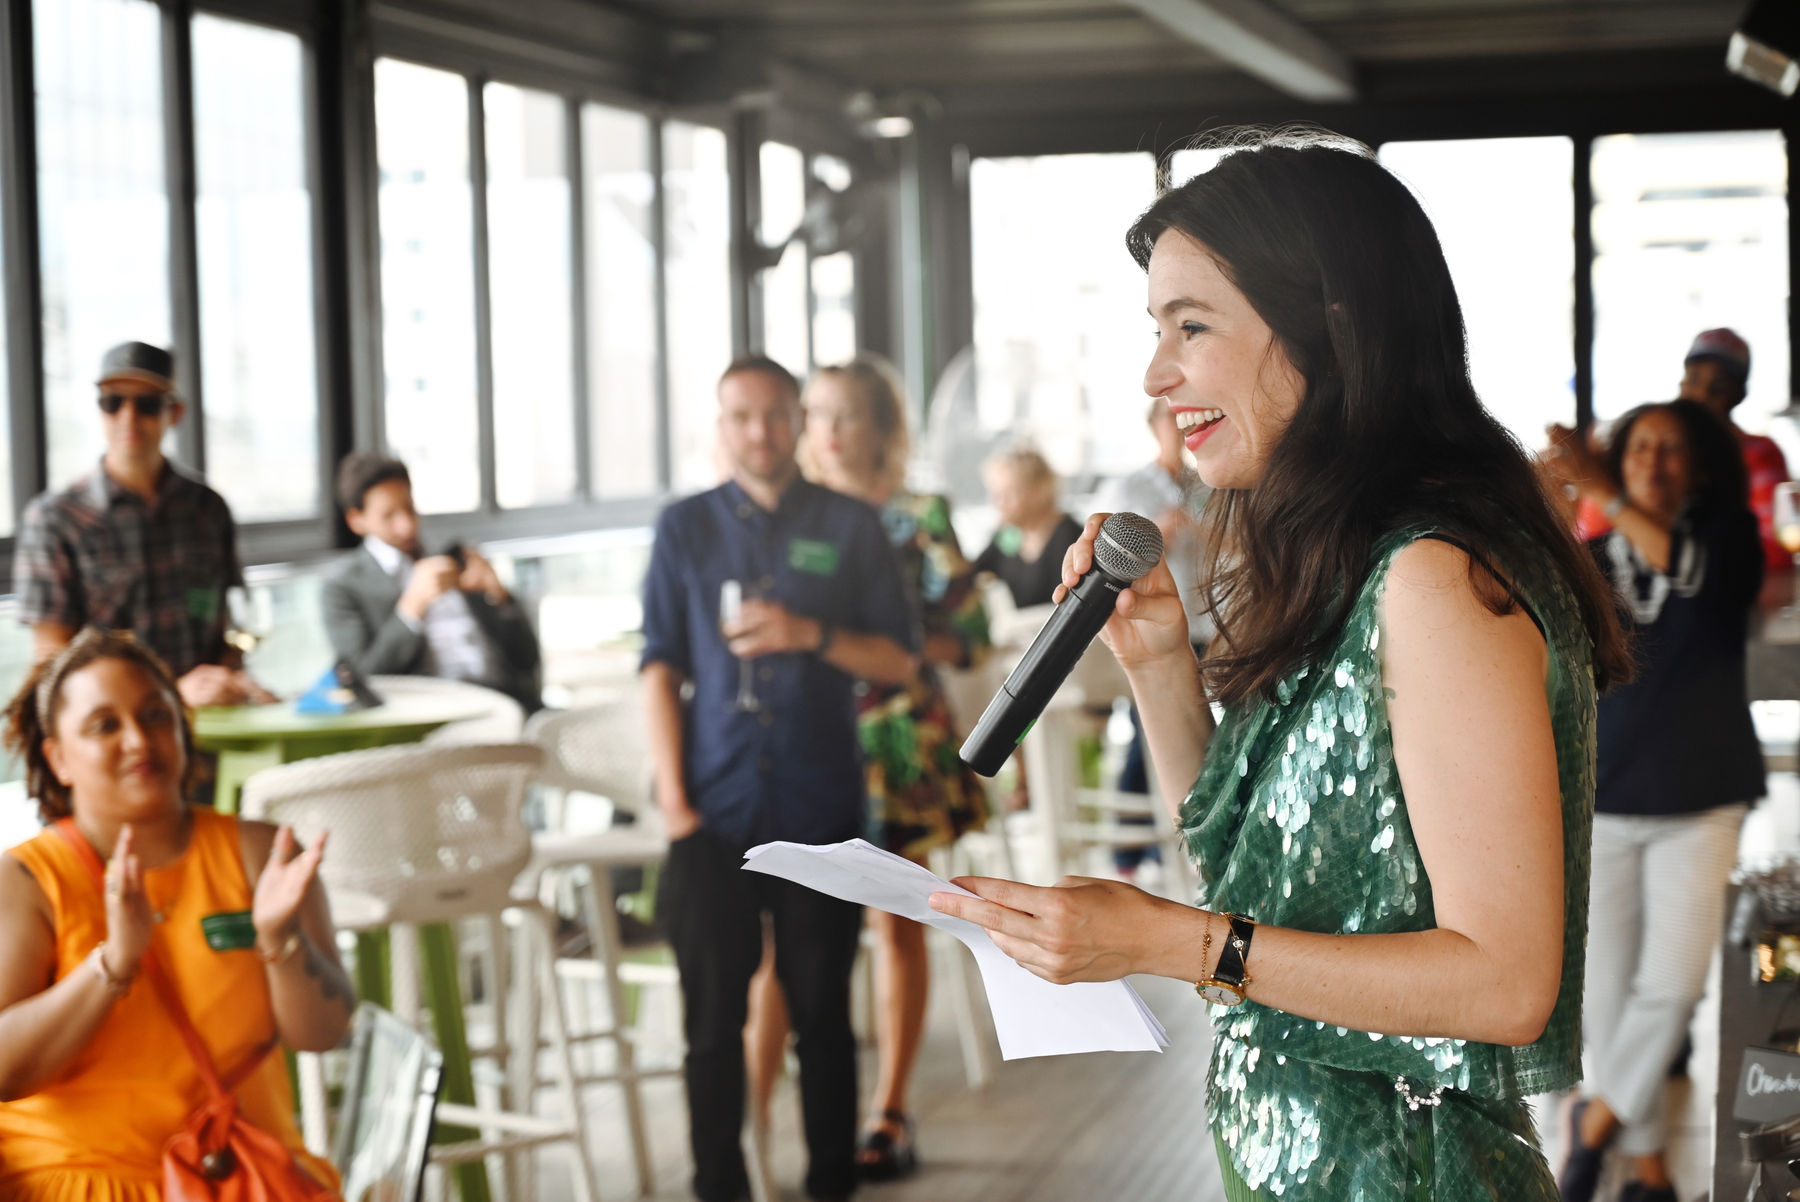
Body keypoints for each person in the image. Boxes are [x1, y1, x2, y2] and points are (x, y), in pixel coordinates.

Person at [926, 129, 1631, 1201]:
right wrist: (1163, 663)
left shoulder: (1434, 580)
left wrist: (1174, 941)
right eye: (1155, 330)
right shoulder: (1337, 558)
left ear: (1329, 333)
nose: (1157, 376)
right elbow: (1253, 881)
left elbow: (1505, 979)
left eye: (1191, 326)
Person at [640, 354, 919, 1202]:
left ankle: (832, 1184)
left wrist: (810, 635)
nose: (759, 432)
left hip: (819, 809)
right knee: (711, 1030)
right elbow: (658, 666)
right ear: (720, 427)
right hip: (713, 811)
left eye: (774, 415)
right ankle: (717, 1186)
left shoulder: (850, 525)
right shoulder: (683, 528)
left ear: (799, 422)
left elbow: (901, 660)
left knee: (824, 1021)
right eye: (740, 417)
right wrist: (676, 804)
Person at [0, 627, 355, 1198]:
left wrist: (279, 940)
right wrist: (115, 962)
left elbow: (324, 1033)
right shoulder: (26, 881)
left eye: (156, 716)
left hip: (245, 1180)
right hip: (82, 1183)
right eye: (105, 725)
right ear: (58, 758)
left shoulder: (260, 853)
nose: (139, 740)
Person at [754, 353, 990, 1180]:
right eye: (815, 413)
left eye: (846, 413)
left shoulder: (918, 514)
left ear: (881, 427)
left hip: (895, 740)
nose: (828, 430)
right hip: (803, 745)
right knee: (786, 934)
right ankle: (751, 1127)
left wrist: (883, 643)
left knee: (897, 920)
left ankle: (890, 1111)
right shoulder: (790, 515)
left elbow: (969, 631)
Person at [1543, 400, 1762, 1202]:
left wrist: (1599, 480)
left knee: (1671, 985)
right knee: (1605, 1004)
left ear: (1699, 469)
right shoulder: (1592, 560)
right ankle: (1648, 1169)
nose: (1655, 462)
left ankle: (1592, 1125)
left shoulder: (1729, 544)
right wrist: (1556, 499)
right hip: (1603, 798)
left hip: (1701, 801)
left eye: (1673, 450)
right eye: (1640, 449)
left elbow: (1693, 576)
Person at [12, 341, 272, 708]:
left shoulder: (207, 509)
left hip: (209, 727)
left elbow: (226, 627)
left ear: (175, 412)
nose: (128, 417)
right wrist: (167, 700)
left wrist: (231, 677)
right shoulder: (55, 518)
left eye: (147, 404)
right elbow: (52, 662)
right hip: (112, 732)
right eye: (113, 402)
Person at [323, 452, 543, 713]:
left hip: (506, 701)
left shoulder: (456, 557)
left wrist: (499, 595)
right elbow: (365, 680)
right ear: (356, 520)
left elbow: (528, 659)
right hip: (431, 711)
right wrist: (411, 609)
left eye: (409, 507)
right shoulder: (343, 587)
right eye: (389, 515)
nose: (406, 525)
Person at [1679, 328, 1789, 572]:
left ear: (1739, 395)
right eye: (1695, 379)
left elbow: (1775, 552)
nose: (1702, 394)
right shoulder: (1652, 451)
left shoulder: (1759, 453)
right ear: (1682, 383)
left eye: (1718, 386)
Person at [971, 446, 1085, 609]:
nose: (999, 503)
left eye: (1009, 494)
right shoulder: (1007, 534)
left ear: (1038, 491)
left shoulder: (1070, 539)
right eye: (996, 494)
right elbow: (974, 572)